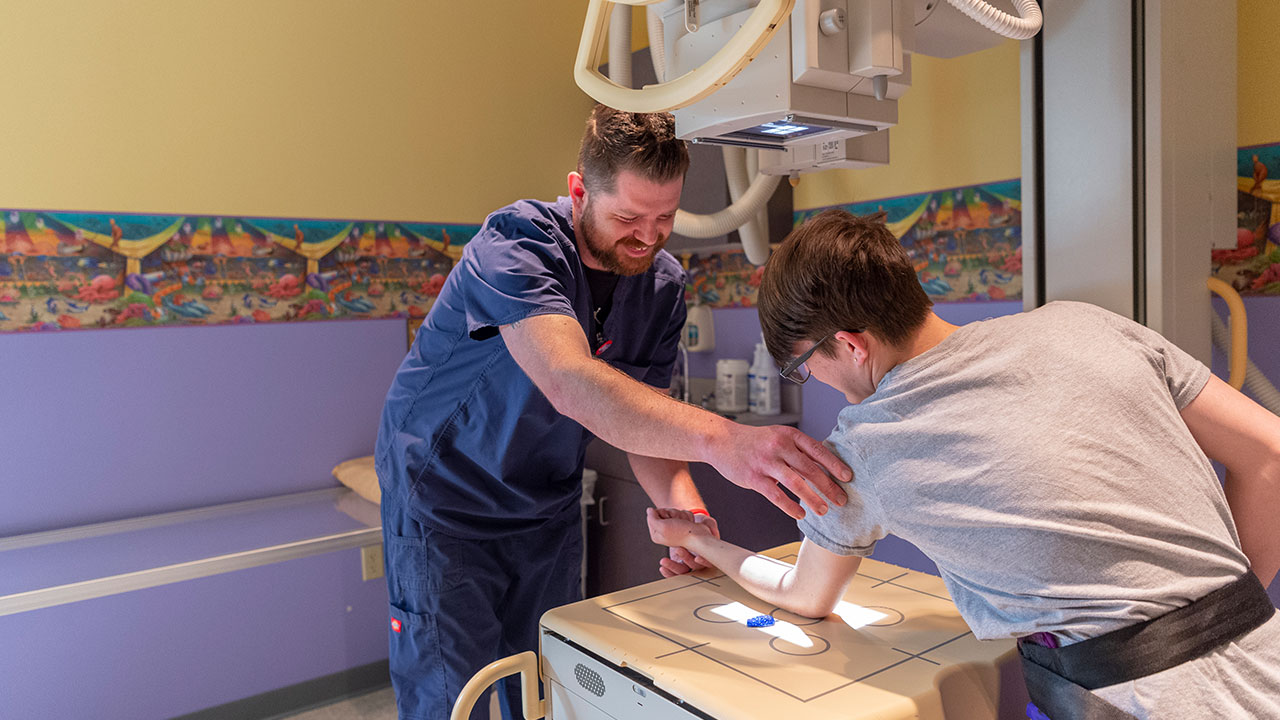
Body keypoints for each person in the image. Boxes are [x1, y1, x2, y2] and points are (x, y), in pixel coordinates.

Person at [646, 209, 1280, 719]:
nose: (820, 385)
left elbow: (806, 596)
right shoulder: (1089, 325)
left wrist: (704, 543)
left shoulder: (869, 441)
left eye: (807, 368)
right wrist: (1213, 616)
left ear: (850, 343)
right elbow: (1271, 454)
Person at [374, 105, 852, 720]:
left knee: (543, 687)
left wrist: (687, 513)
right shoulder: (516, 244)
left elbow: (643, 422)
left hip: (543, 504)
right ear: (579, 191)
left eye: (665, 218)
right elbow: (571, 381)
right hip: (443, 500)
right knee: (451, 697)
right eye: (627, 216)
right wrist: (724, 440)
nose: (648, 237)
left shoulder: (661, 287)